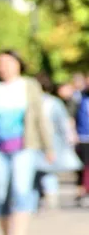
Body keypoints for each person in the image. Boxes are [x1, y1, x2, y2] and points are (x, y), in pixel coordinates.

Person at [0, 50, 54, 235]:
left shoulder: (30, 86)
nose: (4, 67)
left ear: (18, 64)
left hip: (24, 147)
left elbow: (40, 118)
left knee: (21, 190)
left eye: (8, 62)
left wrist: (48, 146)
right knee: (1, 193)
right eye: (0, 63)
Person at [34, 73, 82, 209]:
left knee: (43, 171)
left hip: (46, 142)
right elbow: (63, 124)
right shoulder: (52, 102)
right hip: (47, 141)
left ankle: (44, 197)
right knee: (46, 171)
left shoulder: (48, 103)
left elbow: (62, 124)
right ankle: (47, 198)